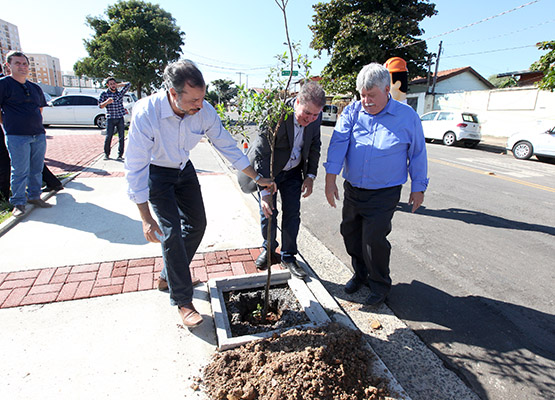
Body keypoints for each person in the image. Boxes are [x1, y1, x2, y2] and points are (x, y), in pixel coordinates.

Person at [124, 60, 273, 328]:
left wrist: (256, 177)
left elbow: (226, 144)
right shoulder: (147, 112)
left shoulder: (204, 111)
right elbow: (135, 166)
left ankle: (168, 276)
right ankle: (182, 299)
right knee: (170, 232)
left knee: (197, 225)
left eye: (202, 97)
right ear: (173, 93)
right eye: (193, 99)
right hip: (157, 173)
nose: (200, 104)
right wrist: (145, 217)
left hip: (184, 168)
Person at [324, 63, 429, 306]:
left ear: (386, 89)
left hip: (384, 192)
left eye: (371, 95)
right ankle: (360, 274)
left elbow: (417, 153)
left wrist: (418, 187)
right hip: (354, 189)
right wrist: (330, 180)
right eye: (362, 95)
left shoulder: (406, 116)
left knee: (373, 240)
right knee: (350, 234)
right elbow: (338, 144)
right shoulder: (352, 111)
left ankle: (380, 283)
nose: (366, 101)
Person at [238, 81, 325, 279]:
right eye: (307, 113)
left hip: (294, 172)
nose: (311, 119)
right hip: (271, 172)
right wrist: (265, 190)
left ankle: (288, 256)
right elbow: (261, 153)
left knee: (292, 214)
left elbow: (315, 146)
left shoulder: (315, 119)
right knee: (268, 212)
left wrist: (310, 176)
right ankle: (269, 250)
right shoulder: (275, 114)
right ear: (297, 102)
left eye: (315, 115)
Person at [0, 51, 53, 216]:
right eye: (17, 63)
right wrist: (8, 123)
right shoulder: (4, 84)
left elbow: (40, 109)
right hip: (17, 136)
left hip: (38, 134)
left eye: (24, 64)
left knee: (36, 168)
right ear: (8, 66)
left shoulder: (35, 88)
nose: (22, 67)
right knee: (20, 170)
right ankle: (18, 202)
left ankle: (34, 196)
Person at [99, 77, 131, 160]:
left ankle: (120, 155)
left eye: (114, 83)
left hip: (120, 117)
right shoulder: (104, 94)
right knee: (109, 136)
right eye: (111, 84)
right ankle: (106, 154)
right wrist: (107, 102)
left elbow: (128, 84)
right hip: (110, 118)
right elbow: (100, 106)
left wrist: (118, 85)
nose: (113, 85)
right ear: (107, 85)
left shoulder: (119, 94)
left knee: (121, 137)